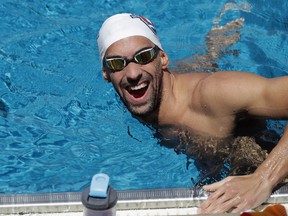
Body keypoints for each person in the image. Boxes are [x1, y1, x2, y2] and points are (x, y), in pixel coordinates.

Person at [97, 13, 288, 213]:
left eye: (143, 56)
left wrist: (263, 178)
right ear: (105, 74)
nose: (133, 74)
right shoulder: (147, 90)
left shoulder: (212, 94)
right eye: (117, 63)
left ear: (162, 59)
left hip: (261, 162)